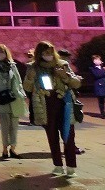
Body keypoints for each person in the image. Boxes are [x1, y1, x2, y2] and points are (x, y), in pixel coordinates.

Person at [23, 41, 83, 177]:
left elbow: (76, 83)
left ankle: (71, 166)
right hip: (45, 105)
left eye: (50, 53)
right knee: (52, 136)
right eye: (45, 53)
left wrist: (64, 76)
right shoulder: (33, 67)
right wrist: (30, 78)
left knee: (68, 135)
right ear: (39, 54)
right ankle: (57, 165)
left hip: (64, 104)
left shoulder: (62, 64)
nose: (48, 56)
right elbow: (27, 88)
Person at [0, 44, 26, 159]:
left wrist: (22, 93)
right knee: (5, 125)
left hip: (14, 97)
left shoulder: (12, 65)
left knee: (14, 124)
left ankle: (13, 147)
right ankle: (4, 149)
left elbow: (18, 80)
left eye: (2, 51)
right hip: (1, 97)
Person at [89, 54, 105, 118]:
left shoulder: (103, 67)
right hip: (99, 87)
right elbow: (97, 75)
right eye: (96, 59)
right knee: (101, 101)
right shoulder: (92, 68)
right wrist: (104, 70)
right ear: (93, 61)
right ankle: (103, 114)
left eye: (99, 59)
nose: (98, 61)